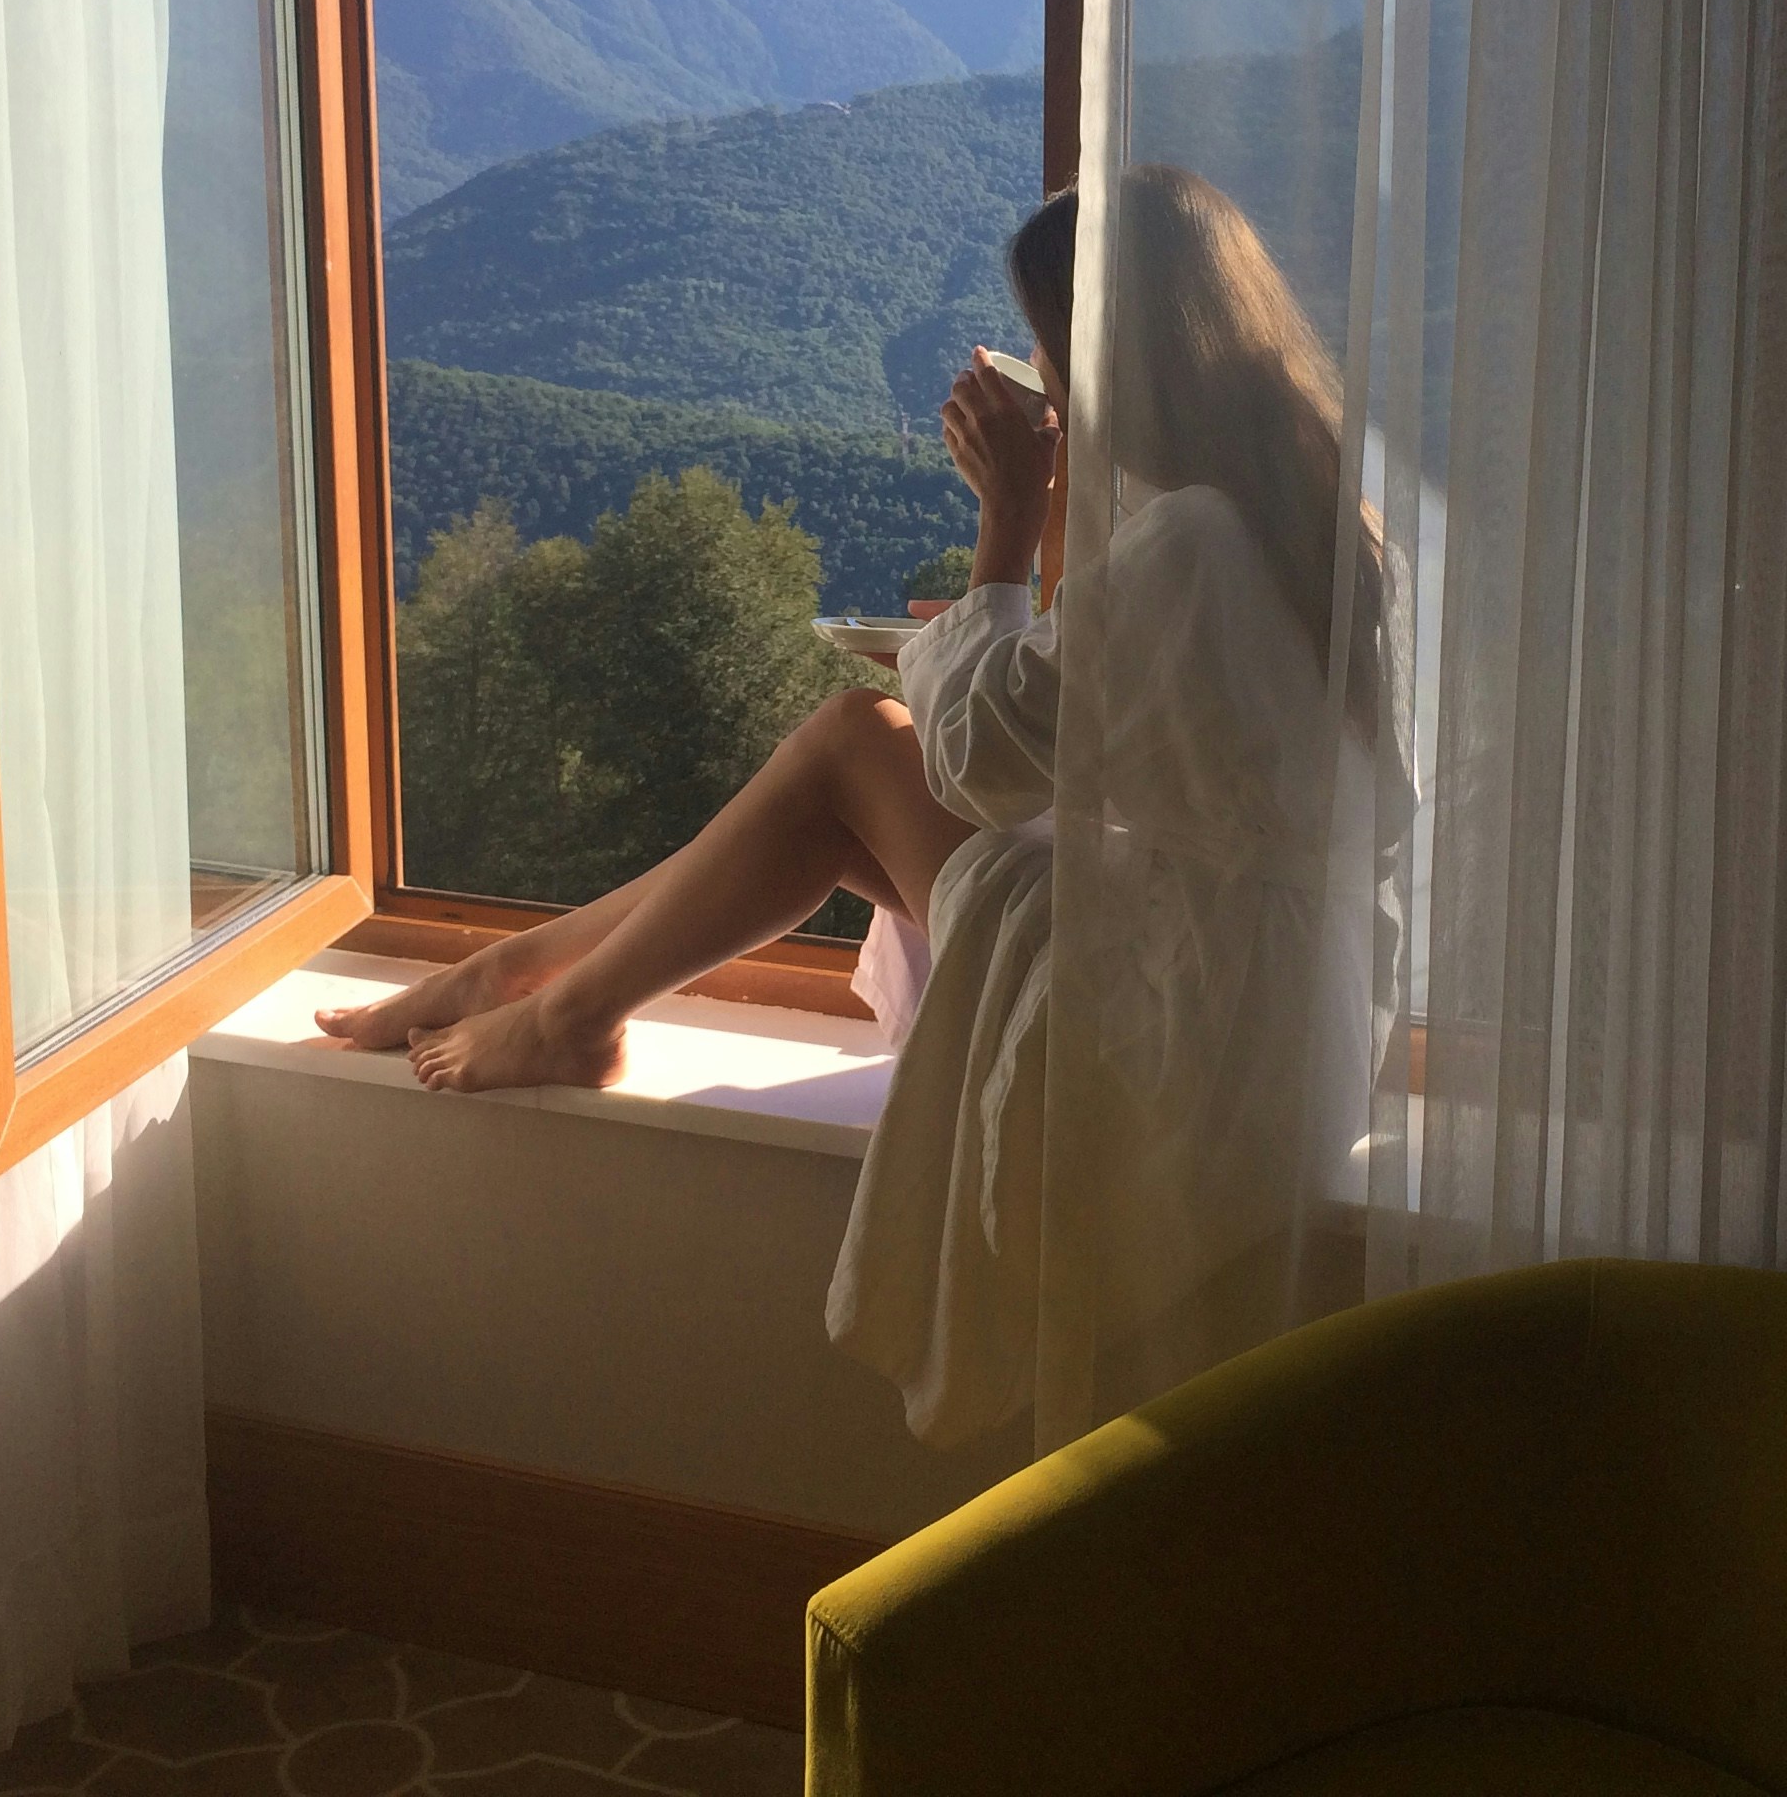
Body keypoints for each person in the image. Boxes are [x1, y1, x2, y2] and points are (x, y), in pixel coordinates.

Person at [319, 168, 1395, 1438]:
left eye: (1052, 349)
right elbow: (1137, 733)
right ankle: (526, 981)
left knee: (847, 745)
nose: (1053, 388)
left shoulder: (1192, 543)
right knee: (838, 776)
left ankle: (555, 1008)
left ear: (1116, 349)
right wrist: (1011, 609)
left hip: (1184, 1038)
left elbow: (980, 761)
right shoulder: (1320, 511)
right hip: (1288, 1015)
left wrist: (1007, 522)